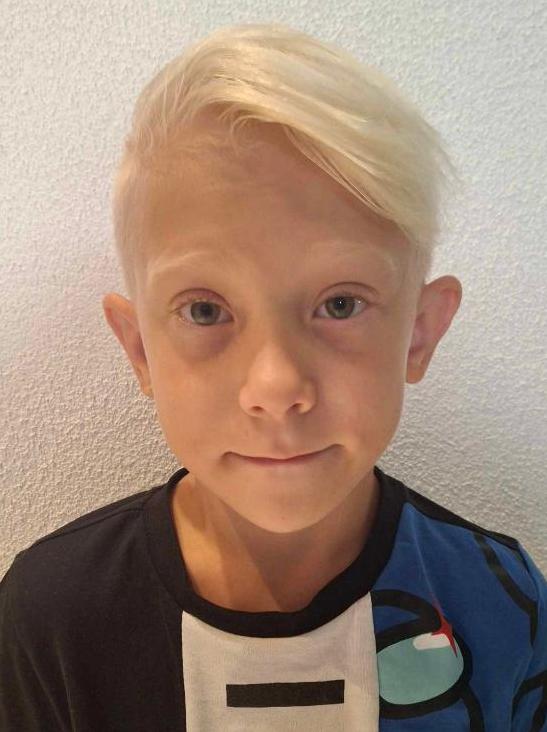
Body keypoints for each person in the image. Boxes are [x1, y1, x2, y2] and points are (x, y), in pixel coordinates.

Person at [1, 21, 545, 731]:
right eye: (205, 310)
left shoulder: (503, 603)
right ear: (140, 351)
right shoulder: (50, 618)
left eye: (340, 304)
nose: (276, 386)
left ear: (419, 332)